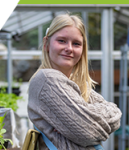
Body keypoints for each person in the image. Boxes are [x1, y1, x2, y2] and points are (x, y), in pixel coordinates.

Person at [28, 13, 122, 150]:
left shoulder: (75, 84)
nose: (69, 48)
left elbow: (116, 115)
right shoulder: (47, 79)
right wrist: (85, 119)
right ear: (46, 44)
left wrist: (81, 118)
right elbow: (87, 131)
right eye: (61, 41)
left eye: (76, 43)